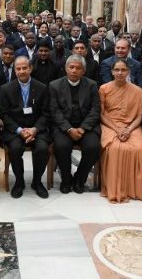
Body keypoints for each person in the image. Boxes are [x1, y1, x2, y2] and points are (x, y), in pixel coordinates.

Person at [99, 58, 142, 203]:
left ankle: (133, 189)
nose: (120, 73)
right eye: (117, 70)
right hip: (110, 125)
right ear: (111, 72)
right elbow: (102, 114)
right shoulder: (104, 89)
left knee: (141, 148)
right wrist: (117, 129)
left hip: (132, 126)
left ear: (128, 72)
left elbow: (139, 115)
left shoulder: (137, 90)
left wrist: (128, 130)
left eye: (123, 70)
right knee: (115, 148)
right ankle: (115, 189)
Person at [0, 56, 50, 198]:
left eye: (25, 68)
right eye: (18, 69)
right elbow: (3, 114)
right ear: (14, 70)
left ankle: (37, 182)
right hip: (15, 130)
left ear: (30, 68)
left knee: (42, 149)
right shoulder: (6, 89)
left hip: (36, 129)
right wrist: (20, 131)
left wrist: (34, 129)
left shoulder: (42, 88)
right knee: (14, 149)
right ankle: (19, 182)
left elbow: (46, 113)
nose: (22, 71)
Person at [48, 55, 101, 194]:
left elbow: (95, 109)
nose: (74, 71)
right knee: (62, 146)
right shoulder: (55, 85)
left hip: (86, 126)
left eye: (78, 68)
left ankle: (80, 179)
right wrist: (69, 129)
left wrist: (83, 128)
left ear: (83, 70)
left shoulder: (92, 85)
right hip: (63, 126)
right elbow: (54, 111)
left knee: (93, 147)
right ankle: (66, 180)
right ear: (66, 68)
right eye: (71, 67)